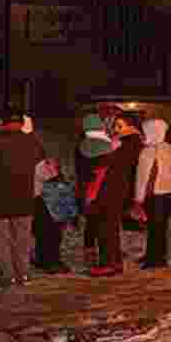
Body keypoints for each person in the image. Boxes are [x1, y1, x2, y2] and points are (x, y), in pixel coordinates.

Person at [0, 107, 43, 287]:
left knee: (2, 241)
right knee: (22, 239)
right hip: (23, 198)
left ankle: (7, 276)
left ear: (1, 122)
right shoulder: (31, 142)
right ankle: (23, 273)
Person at [87, 112, 143, 276]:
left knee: (107, 227)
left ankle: (109, 263)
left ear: (131, 126)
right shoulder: (123, 142)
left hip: (115, 190)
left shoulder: (130, 142)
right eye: (115, 126)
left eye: (120, 126)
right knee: (106, 226)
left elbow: (118, 165)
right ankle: (112, 261)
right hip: (111, 189)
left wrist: (109, 152)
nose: (116, 129)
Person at [131, 118, 171, 269]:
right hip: (167, 193)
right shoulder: (169, 148)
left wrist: (138, 198)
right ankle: (156, 256)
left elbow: (144, 176)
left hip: (153, 194)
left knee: (154, 227)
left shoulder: (148, 151)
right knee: (161, 227)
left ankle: (154, 260)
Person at [76, 113, 116, 268]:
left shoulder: (81, 145)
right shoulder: (108, 145)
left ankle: (90, 254)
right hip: (103, 189)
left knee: (91, 224)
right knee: (103, 225)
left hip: (87, 189)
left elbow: (81, 170)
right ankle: (104, 256)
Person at [32, 155, 71, 274]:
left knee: (50, 232)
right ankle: (49, 261)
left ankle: (48, 259)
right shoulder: (39, 162)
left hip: (48, 195)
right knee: (48, 232)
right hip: (45, 196)